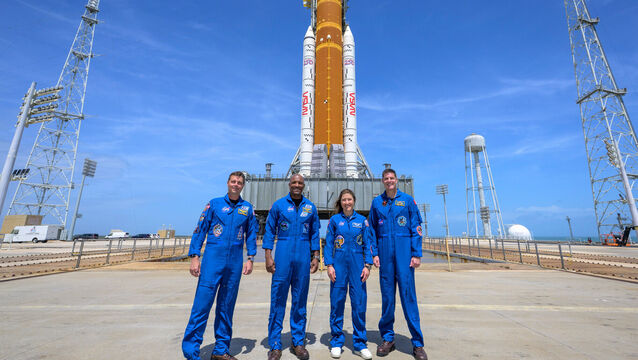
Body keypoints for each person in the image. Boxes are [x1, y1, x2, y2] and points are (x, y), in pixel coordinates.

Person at [182, 171, 257, 360]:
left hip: (234, 264)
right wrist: (194, 256)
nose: (236, 184)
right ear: (227, 183)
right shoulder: (214, 204)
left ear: (243, 186)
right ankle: (191, 351)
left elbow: (252, 234)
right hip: (212, 261)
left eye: (239, 182)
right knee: (201, 306)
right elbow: (200, 230)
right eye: (233, 181)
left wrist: (250, 258)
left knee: (226, 306)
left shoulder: (247, 208)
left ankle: (221, 350)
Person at [368, 168, 428, 360]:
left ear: (396, 180)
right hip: (385, 256)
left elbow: (416, 227)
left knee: (408, 298)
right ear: (383, 181)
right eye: (386, 178)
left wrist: (416, 254)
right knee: (387, 299)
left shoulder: (408, 201)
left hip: (404, 256)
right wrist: (374, 254)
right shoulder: (377, 203)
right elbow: (372, 232)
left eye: (392, 178)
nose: (389, 181)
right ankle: (388, 338)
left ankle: (417, 343)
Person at [263, 174, 320, 360]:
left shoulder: (310, 207)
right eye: (294, 182)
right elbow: (270, 231)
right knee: (277, 300)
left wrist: (316, 256)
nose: (297, 185)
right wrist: (268, 255)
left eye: (300, 183)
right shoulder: (279, 205)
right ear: (289, 184)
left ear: (304, 186)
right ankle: (275, 345)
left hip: (303, 256)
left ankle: (298, 342)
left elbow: (314, 233)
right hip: (283, 254)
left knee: (300, 301)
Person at [323, 189, 374, 359]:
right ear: (341, 202)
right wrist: (329, 265)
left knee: (359, 303)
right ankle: (337, 341)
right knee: (337, 302)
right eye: (344, 200)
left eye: (349, 199)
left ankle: (360, 343)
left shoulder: (362, 221)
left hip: (358, 266)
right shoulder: (335, 221)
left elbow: (368, 244)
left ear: (354, 201)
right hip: (338, 265)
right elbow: (329, 244)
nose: (347, 202)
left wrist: (368, 266)